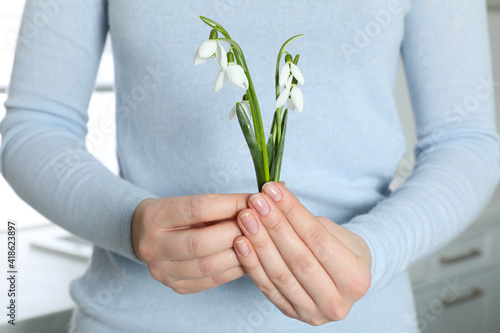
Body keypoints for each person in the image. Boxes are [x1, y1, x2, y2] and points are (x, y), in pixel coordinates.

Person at [1, 1, 498, 332]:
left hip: (358, 319)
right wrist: (130, 224)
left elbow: (466, 140)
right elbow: (34, 126)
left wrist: (377, 249)